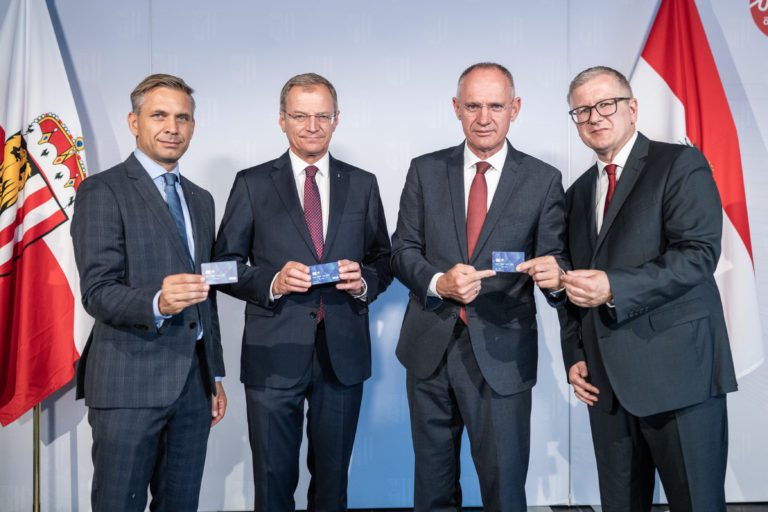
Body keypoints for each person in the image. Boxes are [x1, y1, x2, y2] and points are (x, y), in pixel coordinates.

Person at [390, 62, 568, 512]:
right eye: (472, 105)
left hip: (502, 352)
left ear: (516, 109)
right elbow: (402, 250)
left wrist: (556, 276)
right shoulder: (424, 171)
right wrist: (437, 282)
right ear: (456, 108)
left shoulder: (543, 180)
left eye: (495, 105)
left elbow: (556, 259)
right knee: (432, 489)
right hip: (428, 350)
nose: (483, 117)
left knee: (504, 489)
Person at [560, 66, 738, 512]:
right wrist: (575, 354)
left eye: (606, 104)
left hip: (679, 375)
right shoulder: (577, 192)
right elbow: (576, 282)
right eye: (582, 110)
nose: (594, 117)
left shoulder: (679, 164)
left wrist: (612, 287)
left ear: (632, 108)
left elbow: (698, 255)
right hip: (606, 386)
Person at [213, 72, 392, 512]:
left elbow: (385, 259)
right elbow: (221, 268)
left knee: (332, 481)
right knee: (273, 479)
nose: (312, 126)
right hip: (273, 353)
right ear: (281, 120)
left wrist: (364, 281)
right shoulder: (252, 183)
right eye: (300, 116)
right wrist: (271, 281)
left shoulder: (363, 183)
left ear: (336, 119)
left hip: (342, 355)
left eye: (321, 116)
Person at [71, 74, 226, 512]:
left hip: (194, 388)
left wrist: (212, 374)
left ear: (193, 127)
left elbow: (205, 294)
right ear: (133, 122)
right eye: (159, 115)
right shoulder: (102, 190)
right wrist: (156, 302)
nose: (172, 127)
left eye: (183, 117)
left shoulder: (201, 199)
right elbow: (98, 291)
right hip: (127, 385)